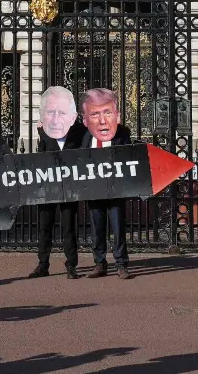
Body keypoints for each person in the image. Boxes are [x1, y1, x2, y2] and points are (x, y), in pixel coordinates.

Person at [29, 87, 85, 279]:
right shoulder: (44, 131)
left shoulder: (80, 131)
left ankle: (71, 265)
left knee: (69, 227)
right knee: (45, 225)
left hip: (69, 187)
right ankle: (43, 264)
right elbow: (40, 157)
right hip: (48, 186)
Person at [80, 88, 131, 280]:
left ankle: (121, 264)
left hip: (116, 189)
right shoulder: (86, 136)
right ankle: (99, 263)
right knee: (97, 226)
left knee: (117, 226)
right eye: (95, 113)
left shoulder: (122, 132)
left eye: (106, 112)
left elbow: (129, 158)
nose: (101, 119)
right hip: (94, 189)